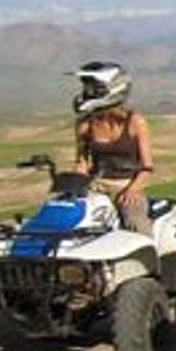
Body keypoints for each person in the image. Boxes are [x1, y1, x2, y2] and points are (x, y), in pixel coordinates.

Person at [71, 61, 154, 234]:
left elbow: (147, 167)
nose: (87, 93)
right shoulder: (84, 125)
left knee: (136, 224)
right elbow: (82, 162)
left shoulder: (135, 122)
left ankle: (149, 257)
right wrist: (76, 180)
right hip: (95, 188)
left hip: (126, 188)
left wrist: (132, 190)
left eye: (93, 88)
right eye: (86, 88)